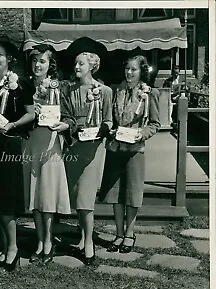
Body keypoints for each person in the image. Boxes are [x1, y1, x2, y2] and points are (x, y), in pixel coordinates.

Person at [57, 37, 113, 265]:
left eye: (81, 63)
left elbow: (109, 119)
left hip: (94, 148)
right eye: (75, 63)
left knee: (86, 197)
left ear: (92, 64)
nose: (76, 67)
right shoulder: (68, 90)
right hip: (74, 145)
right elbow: (65, 117)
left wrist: (103, 129)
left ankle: (88, 243)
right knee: (76, 194)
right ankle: (81, 236)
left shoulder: (105, 91)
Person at [0, 36, 35, 271]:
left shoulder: (19, 84)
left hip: (9, 144)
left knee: (6, 199)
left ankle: (13, 248)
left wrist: (12, 125)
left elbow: (31, 114)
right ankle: (5, 247)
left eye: (0, 55)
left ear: (9, 59)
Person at [99, 55, 160, 253]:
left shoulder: (149, 93)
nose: (129, 73)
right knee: (115, 193)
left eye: (134, 69)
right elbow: (110, 118)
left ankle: (129, 234)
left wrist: (142, 133)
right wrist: (110, 129)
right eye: (127, 69)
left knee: (132, 194)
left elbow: (155, 124)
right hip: (115, 148)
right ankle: (118, 234)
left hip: (135, 150)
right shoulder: (116, 90)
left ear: (142, 71)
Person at [23, 44, 71, 264]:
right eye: (34, 61)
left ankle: (49, 242)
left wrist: (65, 125)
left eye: (42, 61)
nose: (37, 65)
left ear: (50, 64)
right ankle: (39, 240)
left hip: (51, 144)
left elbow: (70, 116)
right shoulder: (23, 85)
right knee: (35, 194)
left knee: (48, 193)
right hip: (30, 143)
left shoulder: (60, 87)